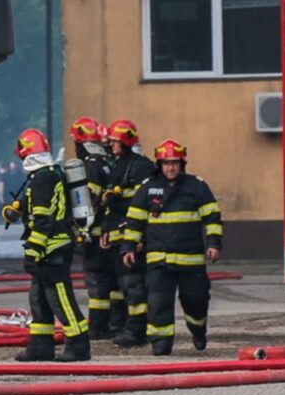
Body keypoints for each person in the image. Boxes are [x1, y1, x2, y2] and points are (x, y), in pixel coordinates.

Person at [121, 139, 223, 355]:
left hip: (191, 260)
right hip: (160, 260)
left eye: (175, 162)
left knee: (196, 302)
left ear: (182, 163)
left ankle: (198, 330)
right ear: (159, 164)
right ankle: (161, 343)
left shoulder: (197, 186)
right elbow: (134, 220)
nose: (171, 167)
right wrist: (128, 246)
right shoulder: (148, 188)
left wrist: (214, 243)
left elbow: (212, 217)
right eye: (166, 163)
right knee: (158, 303)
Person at [3, 128, 91, 362]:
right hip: (48, 249)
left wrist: (33, 250)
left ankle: (79, 345)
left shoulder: (44, 178)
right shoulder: (44, 175)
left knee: (60, 298)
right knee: (39, 298)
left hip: (53, 249)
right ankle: (41, 345)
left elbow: (43, 219)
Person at [104, 118, 157, 348]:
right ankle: (126, 325)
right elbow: (111, 205)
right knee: (123, 285)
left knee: (135, 286)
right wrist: (106, 230)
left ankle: (138, 330)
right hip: (118, 237)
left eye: (114, 142)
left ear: (125, 142)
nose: (111, 146)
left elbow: (143, 205)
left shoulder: (141, 166)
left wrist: (139, 238)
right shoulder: (119, 165)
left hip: (133, 237)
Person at [69, 117, 120, 339]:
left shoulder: (90, 165)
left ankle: (99, 327)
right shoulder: (108, 162)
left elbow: (87, 201)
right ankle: (117, 323)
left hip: (96, 234)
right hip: (112, 235)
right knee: (114, 282)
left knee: (98, 282)